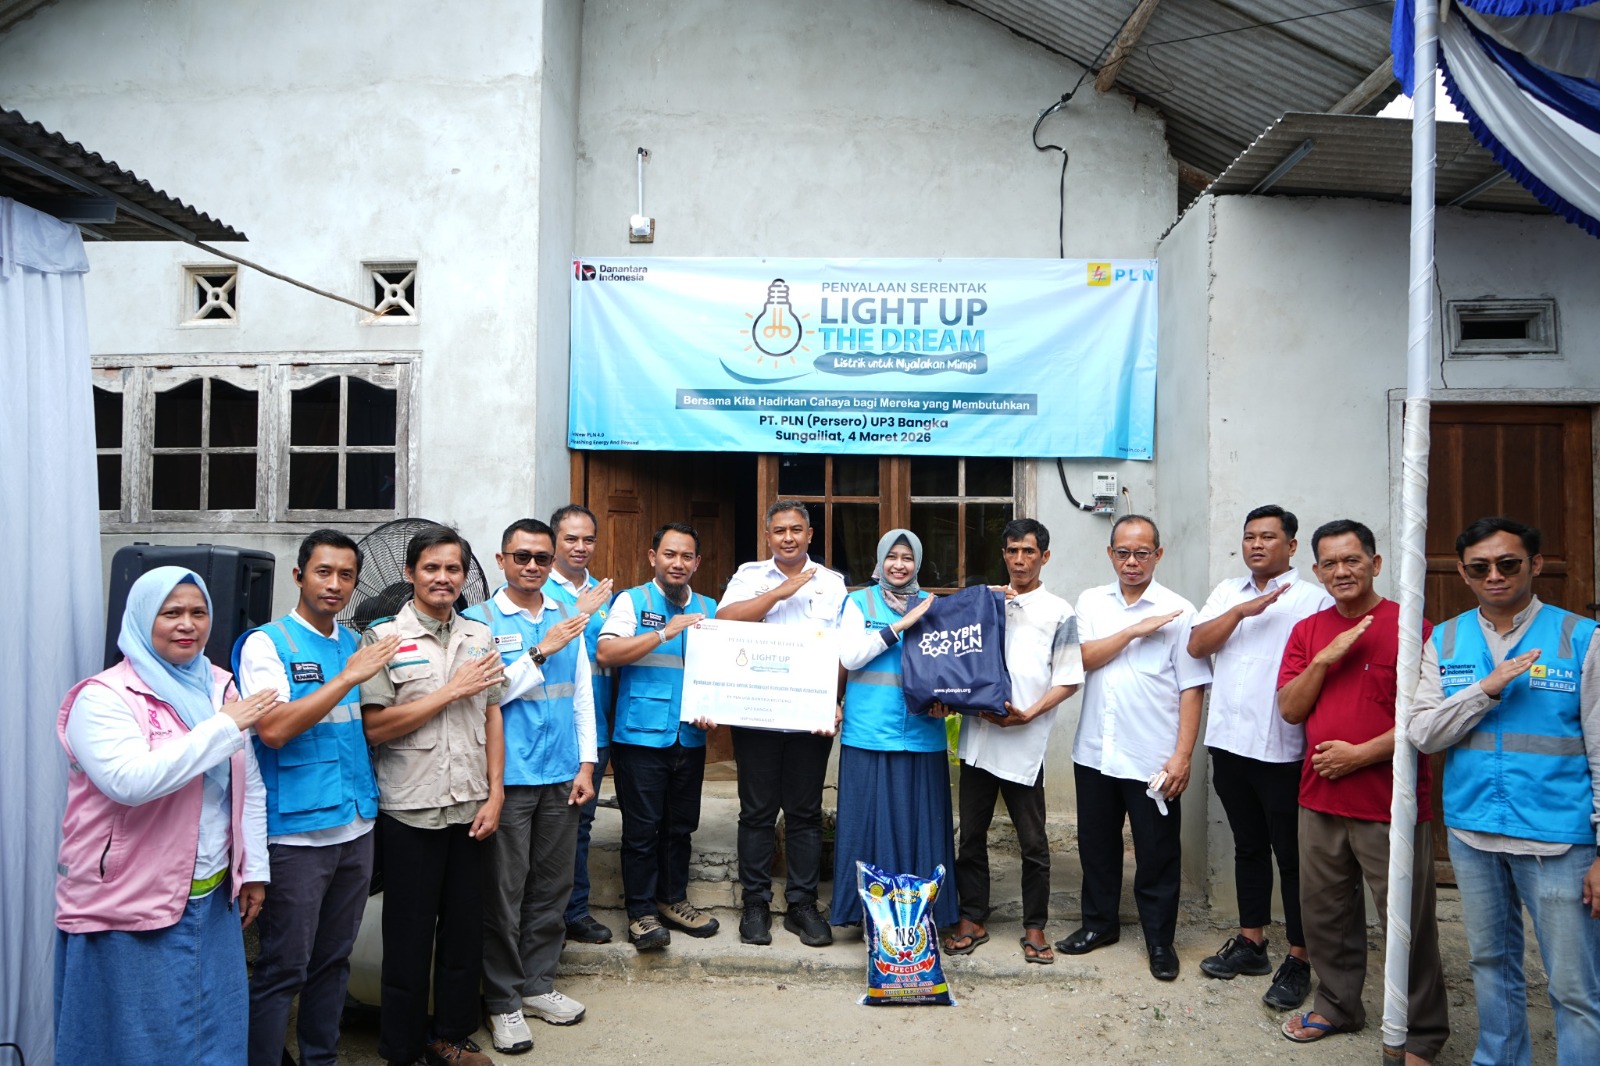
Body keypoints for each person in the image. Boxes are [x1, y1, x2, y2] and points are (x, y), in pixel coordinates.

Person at [54, 567, 275, 1066]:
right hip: (127, 902)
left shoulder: (218, 687)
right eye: (170, 613)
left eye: (198, 612)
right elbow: (130, 782)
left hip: (211, 896)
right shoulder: (104, 696)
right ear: (140, 618)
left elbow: (250, 785)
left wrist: (254, 871)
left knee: (214, 1037)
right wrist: (221, 728)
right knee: (135, 1044)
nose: (187, 624)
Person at [1408, 516, 1600, 1066]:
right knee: (1491, 965)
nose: (1494, 575)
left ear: (1534, 565)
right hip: (1473, 831)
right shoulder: (1444, 638)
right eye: (1480, 567)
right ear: (1464, 573)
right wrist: (1485, 690)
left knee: (1574, 986)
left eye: (1508, 563)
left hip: (1558, 839)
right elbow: (1423, 734)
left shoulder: (1580, 638)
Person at [1276, 519, 1448, 1063]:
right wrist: (1324, 660)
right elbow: (1290, 710)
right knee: (1325, 914)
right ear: (1316, 570)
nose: (1341, 571)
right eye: (1329, 563)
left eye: (1352, 560)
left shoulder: (1412, 627)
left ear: (1375, 564)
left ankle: (1421, 1033)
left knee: (1406, 920)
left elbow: (1428, 718)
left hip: (1389, 802)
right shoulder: (1309, 631)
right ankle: (1337, 1005)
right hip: (1319, 797)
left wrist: (1360, 755)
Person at [235, 530, 400, 1066]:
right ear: (299, 575)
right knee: (284, 966)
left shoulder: (353, 643)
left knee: (333, 962)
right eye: (323, 572)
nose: (335, 584)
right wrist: (348, 677)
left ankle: (320, 1058)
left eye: (346, 575)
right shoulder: (268, 644)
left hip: (355, 824)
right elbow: (274, 730)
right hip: (297, 835)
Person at [360, 525, 506, 1066]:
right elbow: (375, 727)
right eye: (431, 568)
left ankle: (450, 1037)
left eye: (453, 569)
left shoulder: (479, 636)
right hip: (410, 807)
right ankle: (401, 1049)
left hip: (470, 807)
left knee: (464, 934)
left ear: (464, 576)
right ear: (409, 573)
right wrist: (450, 691)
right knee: (408, 937)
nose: (443, 578)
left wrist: (495, 794)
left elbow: (492, 715)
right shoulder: (382, 639)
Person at [1187, 505, 1331, 1006]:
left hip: (1285, 750)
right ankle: (1252, 942)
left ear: (1291, 546)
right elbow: (1196, 646)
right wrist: (1239, 613)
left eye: (1268, 537)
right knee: (1247, 846)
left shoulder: (1313, 599)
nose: (1256, 544)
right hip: (1229, 743)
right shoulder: (1228, 592)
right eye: (1250, 536)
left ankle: (1300, 956)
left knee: (1292, 855)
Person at [465, 519, 597, 1054]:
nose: (533, 566)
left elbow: (582, 695)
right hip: (510, 778)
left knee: (552, 886)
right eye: (522, 556)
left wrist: (587, 765)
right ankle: (503, 1000)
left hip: (561, 772)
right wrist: (539, 651)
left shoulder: (567, 616)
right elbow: (485, 694)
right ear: (501, 560)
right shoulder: (478, 621)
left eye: (542, 558)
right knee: (504, 891)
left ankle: (539, 984)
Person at [1064, 514, 1210, 981]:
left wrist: (1182, 756)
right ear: (1110, 554)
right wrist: (1133, 631)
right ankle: (1099, 925)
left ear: (1158, 555)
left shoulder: (1180, 610)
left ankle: (1160, 941)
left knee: (1157, 853)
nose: (1132, 562)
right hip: (1095, 752)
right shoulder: (1092, 601)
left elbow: (1192, 687)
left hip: (1152, 758)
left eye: (1142, 553)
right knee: (1097, 847)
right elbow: (1081, 659)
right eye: (1123, 553)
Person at [944, 518, 1083, 964]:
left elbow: (1068, 679)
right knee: (971, 836)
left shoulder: (1059, 612)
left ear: (1045, 556)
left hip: (1024, 742)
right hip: (979, 738)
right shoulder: (984, 602)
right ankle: (972, 917)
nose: (1019, 559)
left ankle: (1035, 926)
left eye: (1028, 551)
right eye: (1012, 551)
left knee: (1034, 843)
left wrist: (1030, 714)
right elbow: (956, 657)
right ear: (1003, 554)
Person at [716, 500, 848, 947]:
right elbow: (724, 621)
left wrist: (833, 700)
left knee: (804, 814)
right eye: (779, 530)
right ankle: (755, 904)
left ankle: (801, 905)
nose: (787, 537)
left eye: (795, 529)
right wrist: (779, 593)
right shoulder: (749, 576)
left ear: (810, 534)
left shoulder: (832, 583)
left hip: (809, 717)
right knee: (756, 812)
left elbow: (842, 650)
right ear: (767, 535)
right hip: (756, 714)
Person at [595, 522, 721, 951]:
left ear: (697, 562)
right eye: (669, 554)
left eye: (686, 556)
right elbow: (607, 652)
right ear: (653, 557)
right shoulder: (632, 601)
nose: (677, 563)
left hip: (690, 737)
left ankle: (672, 900)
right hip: (640, 738)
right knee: (642, 829)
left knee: (680, 827)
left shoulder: (709, 607)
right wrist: (665, 632)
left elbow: (717, 672)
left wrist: (715, 708)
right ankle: (641, 913)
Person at [831, 529, 947, 927]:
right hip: (869, 732)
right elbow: (851, 656)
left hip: (922, 733)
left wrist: (948, 701)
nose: (899, 565)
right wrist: (899, 626)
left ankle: (922, 919)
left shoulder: (932, 605)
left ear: (918, 563)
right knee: (866, 825)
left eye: (907, 558)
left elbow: (950, 665)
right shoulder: (858, 602)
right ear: (880, 561)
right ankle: (864, 917)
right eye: (892, 557)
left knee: (920, 827)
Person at [545, 504, 617, 946]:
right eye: (571, 538)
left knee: (581, 824)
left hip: (595, 730)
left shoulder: (607, 595)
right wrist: (577, 609)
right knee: (544, 826)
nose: (580, 547)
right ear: (554, 541)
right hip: (548, 727)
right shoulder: (534, 585)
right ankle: (544, 915)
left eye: (588, 539)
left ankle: (575, 912)